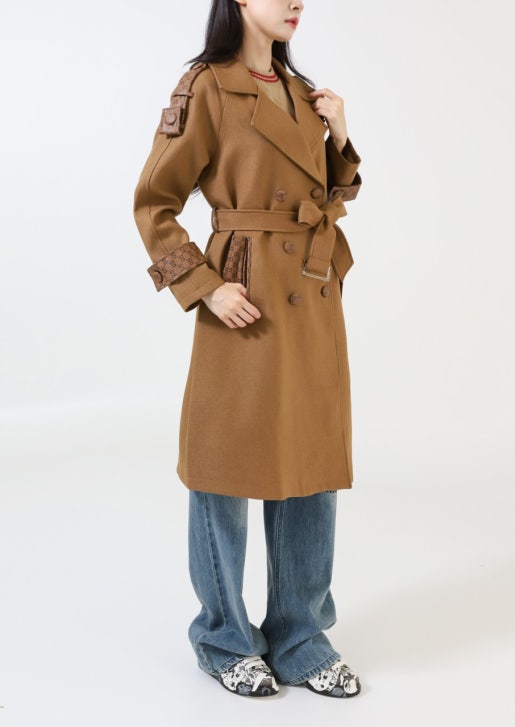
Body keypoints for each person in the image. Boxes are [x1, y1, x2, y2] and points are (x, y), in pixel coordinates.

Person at [133, 0, 363, 699]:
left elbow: (330, 196)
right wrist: (204, 287)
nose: (295, 2)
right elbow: (153, 203)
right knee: (225, 463)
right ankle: (224, 637)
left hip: (313, 295)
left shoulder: (301, 92)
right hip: (245, 297)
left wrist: (340, 135)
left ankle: (300, 636)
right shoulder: (206, 86)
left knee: (308, 465)